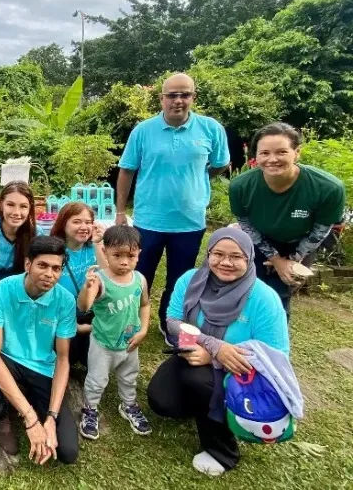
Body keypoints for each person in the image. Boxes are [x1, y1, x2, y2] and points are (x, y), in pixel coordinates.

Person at [147, 228, 289, 476]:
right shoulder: (191, 280)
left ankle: (222, 451)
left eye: (236, 256)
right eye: (218, 254)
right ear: (208, 254)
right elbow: (172, 321)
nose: (225, 262)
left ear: (249, 257)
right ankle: (205, 407)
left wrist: (216, 358)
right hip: (191, 356)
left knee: (199, 380)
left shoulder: (264, 298)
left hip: (243, 375)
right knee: (162, 401)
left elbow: (274, 355)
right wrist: (213, 347)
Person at [116, 73, 230, 345]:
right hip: (148, 220)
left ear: (193, 97)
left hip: (189, 222)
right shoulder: (143, 131)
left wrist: (197, 180)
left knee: (180, 280)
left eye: (185, 95)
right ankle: (129, 323)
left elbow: (221, 164)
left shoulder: (211, 128)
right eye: (172, 95)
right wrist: (120, 211)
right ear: (161, 98)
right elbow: (126, 170)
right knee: (138, 275)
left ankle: (170, 325)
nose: (178, 100)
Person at [0, 236, 79, 465]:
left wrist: (51, 417)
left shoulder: (65, 301)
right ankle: (2, 417)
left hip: (42, 366)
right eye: (42, 266)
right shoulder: (2, 290)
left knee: (67, 452)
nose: (49, 274)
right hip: (7, 358)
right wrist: (31, 419)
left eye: (56, 268)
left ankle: (37, 405)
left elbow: (62, 360)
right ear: (28, 264)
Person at [229, 122, 345, 316]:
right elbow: (245, 224)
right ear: (255, 156)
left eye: (281, 152)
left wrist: (291, 260)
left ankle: (273, 344)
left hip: (302, 241)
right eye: (264, 153)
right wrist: (274, 258)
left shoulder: (328, 188)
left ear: (296, 152)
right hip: (259, 238)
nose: (272, 159)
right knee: (246, 287)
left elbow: (321, 231)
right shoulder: (241, 186)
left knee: (279, 293)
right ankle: (237, 338)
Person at [77, 226, 151, 441]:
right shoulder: (100, 281)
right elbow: (84, 306)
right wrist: (87, 287)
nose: (124, 262)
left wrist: (144, 330)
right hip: (103, 344)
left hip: (130, 343)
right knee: (97, 380)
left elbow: (145, 305)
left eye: (131, 256)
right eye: (117, 255)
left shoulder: (139, 280)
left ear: (139, 254)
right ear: (105, 251)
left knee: (129, 377)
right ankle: (90, 410)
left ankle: (128, 405)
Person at [49, 202, 107, 367]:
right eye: (77, 222)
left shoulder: (93, 248)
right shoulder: (54, 251)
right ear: (63, 224)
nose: (84, 227)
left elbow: (109, 277)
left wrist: (97, 244)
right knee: (67, 357)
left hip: (91, 314)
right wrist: (77, 327)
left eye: (88, 222)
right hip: (61, 317)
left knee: (94, 360)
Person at [0, 181, 44, 289]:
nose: (16, 212)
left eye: (23, 206)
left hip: (22, 287)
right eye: (10, 205)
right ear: (1, 205)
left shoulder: (37, 234)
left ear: (30, 209)